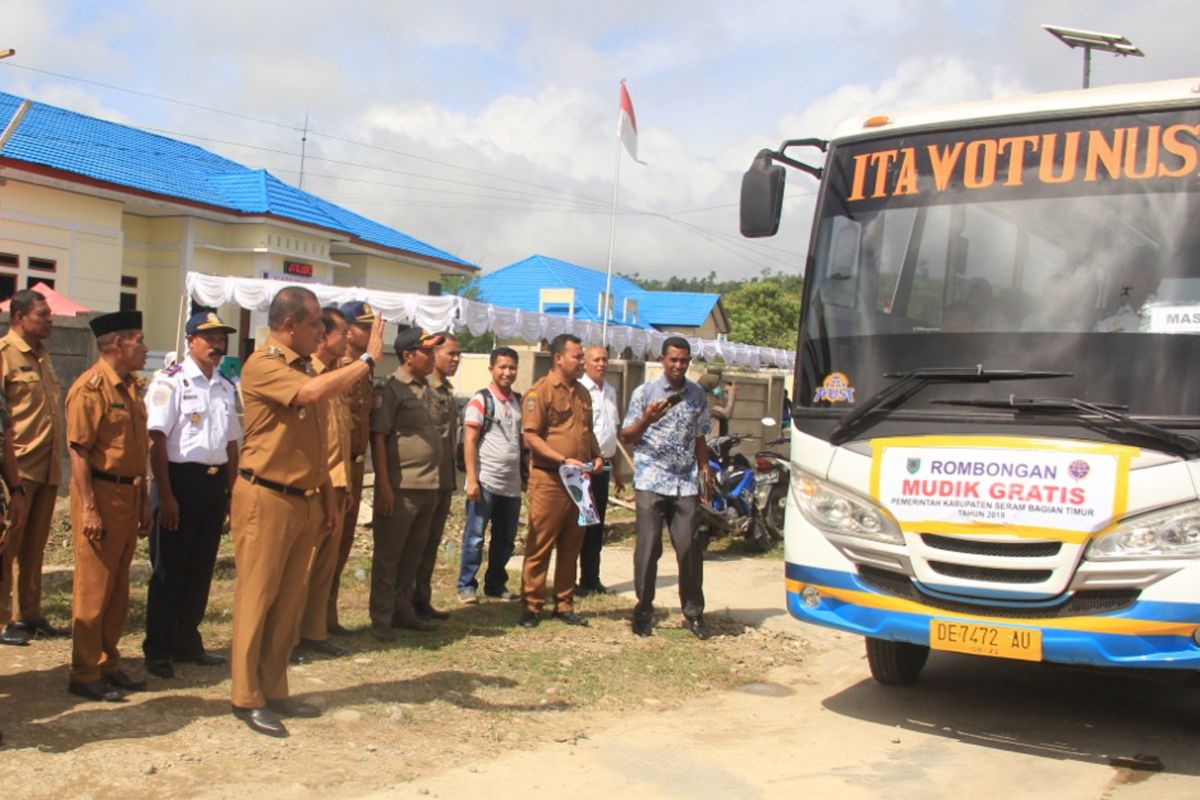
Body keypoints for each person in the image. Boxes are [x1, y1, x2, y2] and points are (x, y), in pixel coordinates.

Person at [230, 286, 383, 738]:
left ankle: (274, 687)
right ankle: (245, 695)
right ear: (289, 324)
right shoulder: (264, 365)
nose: (321, 331)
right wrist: (367, 360)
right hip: (265, 496)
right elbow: (311, 395)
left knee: (289, 600)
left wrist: (328, 500)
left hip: (305, 498)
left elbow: (320, 446)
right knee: (257, 598)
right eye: (315, 322)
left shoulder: (303, 367)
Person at [142, 307, 241, 679]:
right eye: (210, 339)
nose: (217, 346)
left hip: (213, 485)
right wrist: (165, 496)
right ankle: (159, 648)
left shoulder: (225, 385)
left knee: (201, 566)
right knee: (169, 569)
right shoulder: (171, 382)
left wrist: (232, 493)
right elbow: (157, 441)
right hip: (179, 481)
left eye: (221, 339)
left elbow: (232, 444)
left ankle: (187, 639)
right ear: (190, 342)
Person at [65, 310, 152, 702]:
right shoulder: (92, 388)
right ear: (119, 344)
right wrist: (89, 508)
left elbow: (139, 450)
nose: (145, 348)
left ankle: (108, 663)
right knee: (93, 588)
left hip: (129, 495)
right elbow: (79, 452)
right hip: (100, 494)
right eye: (140, 341)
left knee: (118, 587)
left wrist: (144, 502)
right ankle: (84, 673)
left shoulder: (131, 388)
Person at [621, 336, 713, 640]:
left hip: (684, 481)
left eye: (684, 360)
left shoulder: (697, 395)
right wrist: (647, 419)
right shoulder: (645, 392)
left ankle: (694, 612)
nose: (678, 365)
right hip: (651, 479)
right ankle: (644, 610)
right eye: (673, 359)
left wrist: (704, 470)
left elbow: (700, 437)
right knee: (648, 548)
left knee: (689, 547)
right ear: (662, 359)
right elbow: (628, 436)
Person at [519, 333, 602, 629]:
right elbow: (530, 437)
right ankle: (532, 604)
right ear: (558, 358)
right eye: (577, 356)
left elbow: (586, 431)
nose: (582, 362)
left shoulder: (583, 392)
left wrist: (598, 456)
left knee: (572, 544)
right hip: (550, 479)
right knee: (541, 541)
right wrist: (561, 459)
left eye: (582, 357)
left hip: (579, 482)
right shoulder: (539, 392)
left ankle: (564, 604)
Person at [368, 327, 446, 640]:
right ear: (407, 355)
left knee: (413, 555)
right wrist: (384, 486)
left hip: (429, 486)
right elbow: (378, 437)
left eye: (432, 351)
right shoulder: (390, 389)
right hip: (401, 488)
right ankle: (382, 619)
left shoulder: (428, 388)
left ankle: (404, 612)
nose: (431, 357)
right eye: (425, 351)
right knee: (389, 555)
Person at [294, 307, 352, 660]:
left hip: (338, 482)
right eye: (342, 333)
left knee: (325, 566)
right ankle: (290, 635)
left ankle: (314, 632)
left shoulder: (338, 375)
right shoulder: (307, 377)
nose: (347, 339)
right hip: (314, 484)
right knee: (303, 566)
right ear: (324, 336)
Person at [0, 289, 55, 646]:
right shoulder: (5, 355)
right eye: (42, 314)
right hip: (18, 467)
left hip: (47, 467)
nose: (50, 319)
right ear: (20, 317)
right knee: (7, 546)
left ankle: (28, 613)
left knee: (34, 547)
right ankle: (4, 619)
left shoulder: (42, 356)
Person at [456, 347, 523, 604]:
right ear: (491, 369)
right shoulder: (480, 401)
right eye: (502, 367)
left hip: (511, 485)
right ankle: (466, 585)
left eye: (512, 367)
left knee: (505, 539)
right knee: (474, 537)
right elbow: (469, 442)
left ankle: (496, 584)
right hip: (485, 482)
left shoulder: (518, 401)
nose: (507, 372)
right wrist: (472, 480)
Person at [327, 301, 376, 636]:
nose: (372, 332)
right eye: (364, 326)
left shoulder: (363, 370)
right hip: (335, 469)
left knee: (343, 544)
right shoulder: (335, 370)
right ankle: (311, 618)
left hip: (357, 468)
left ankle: (327, 613)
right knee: (326, 544)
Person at [412, 333, 461, 622]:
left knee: (430, 544)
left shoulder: (446, 390)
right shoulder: (424, 389)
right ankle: (405, 604)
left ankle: (422, 599)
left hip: (443, 478)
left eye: (458, 355)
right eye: (450, 354)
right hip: (425, 479)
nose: (455, 359)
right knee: (415, 546)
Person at [577, 345, 624, 596]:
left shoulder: (611, 392)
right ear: (585, 362)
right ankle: (569, 580)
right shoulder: (580, 390)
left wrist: (617, 470)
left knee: (597, 525)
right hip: (584, 466)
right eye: (596, 360)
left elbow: (611, 434)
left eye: (605, 359)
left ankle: (591, 578)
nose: (601, 364)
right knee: (581, 524)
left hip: (603, 465)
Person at [698, 373, 737, 437]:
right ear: (709, 386)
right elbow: (727, 414)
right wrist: (732, 395)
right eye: (716, 385)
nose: (719, 387)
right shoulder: (705, 401)